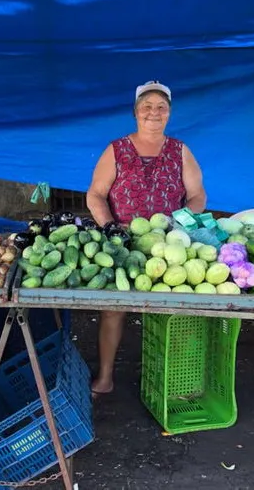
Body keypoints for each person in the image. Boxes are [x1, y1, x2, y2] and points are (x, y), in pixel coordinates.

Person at [85, 80, 207, 396]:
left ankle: (173, 379)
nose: (154, 113)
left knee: (173, 309)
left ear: (169, 113)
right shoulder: (116, 149)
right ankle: (106, 376)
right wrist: (110, 227)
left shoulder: (180, 150)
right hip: (122, 241)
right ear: (136, 113)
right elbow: (96, 195)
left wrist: (180, 224)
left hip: (168, 245)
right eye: (147, 107)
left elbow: (196, 196)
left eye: (161, 107)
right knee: (114, 309)